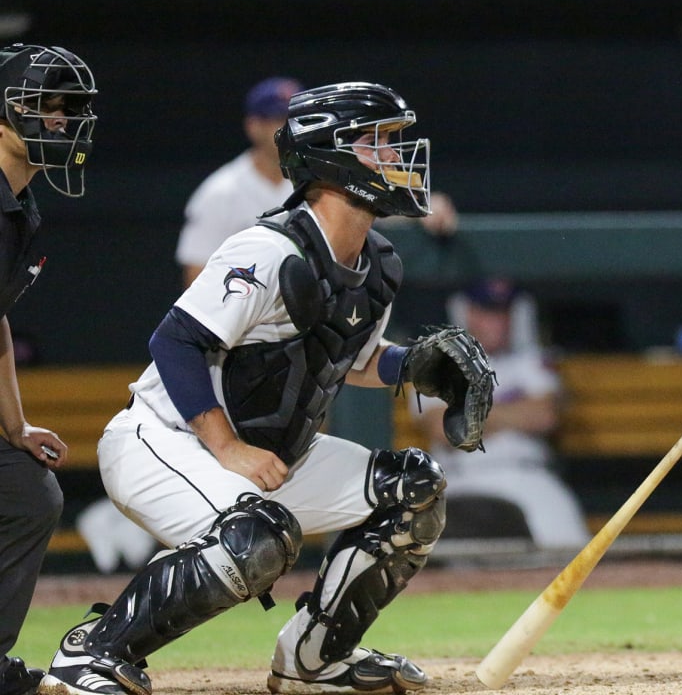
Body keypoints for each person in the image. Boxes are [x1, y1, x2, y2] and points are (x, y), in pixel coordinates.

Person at [39, 81, 489, 695]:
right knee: (257, 537)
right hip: (168, 442)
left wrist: (414, 366)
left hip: (272, 453)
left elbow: (352, 357)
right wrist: (227, 449)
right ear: (330, 158)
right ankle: (92, 653)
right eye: (377, 143)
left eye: (393, 142)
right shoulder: (268, 249)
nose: (395, 157)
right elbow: (175, 342)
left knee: (413, 490)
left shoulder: (379, 260)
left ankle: (314, 659)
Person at [0, 43, 96, 695]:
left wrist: (15, 427)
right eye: (41, 107)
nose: (57, 122)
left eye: (66, 111)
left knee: (30, 493)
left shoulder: (21, 205)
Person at [175, 76, 459, 288]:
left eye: (294, 120)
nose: (288, 128)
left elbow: (362, 208)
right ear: (253, 125)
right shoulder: (221, 192)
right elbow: (196, 280)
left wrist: (420, 207)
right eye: (277, 118)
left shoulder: (320, 171)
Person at [412, 276, 589, 549]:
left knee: (570, 550)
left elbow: (544, 415)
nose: (498, 322)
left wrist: (470, 410)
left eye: (503, 312)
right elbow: (444, 428)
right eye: (487, 312)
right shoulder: (438, 363)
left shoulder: (529, 360)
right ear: (466, 312)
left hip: (529, 475)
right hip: (464, 478)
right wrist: (516, 412)